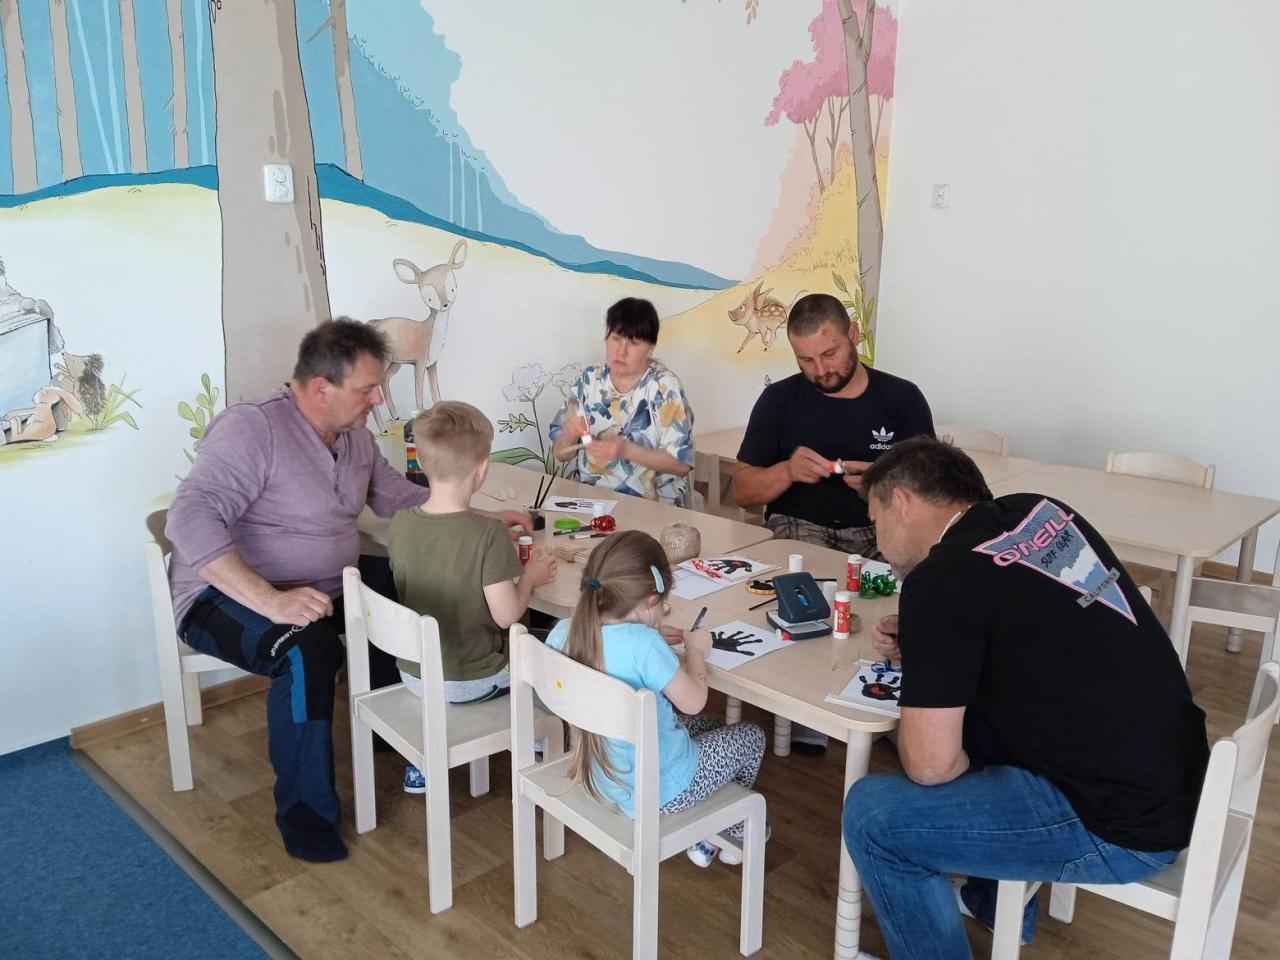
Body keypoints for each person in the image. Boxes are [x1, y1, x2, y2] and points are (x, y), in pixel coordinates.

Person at [166, 319, 525, 863]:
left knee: (415, 589)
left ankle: (395, 731)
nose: (379, 399)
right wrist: (271, 601)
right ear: (320, 388)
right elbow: (187, 520)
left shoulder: (353, 436)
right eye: (368, 389)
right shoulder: (251, 430)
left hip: (327, 587)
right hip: (222, 598)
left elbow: (395, 495)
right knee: (307, 650)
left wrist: (478, 520)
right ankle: (305, 819)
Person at [841, 437, 1210, 957]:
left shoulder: (941, 579)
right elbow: (1030, 627)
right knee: (973, 728)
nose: (878, 543)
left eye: (875, 520)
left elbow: (929, 767)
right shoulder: (1042, 511)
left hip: (1119, 825)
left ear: (900, 502)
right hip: (1179, 775)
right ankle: (995, 906)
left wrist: (933, 649)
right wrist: (934, 646)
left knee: (873, 817)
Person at [546, 530, 768, 866]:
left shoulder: (565, 631)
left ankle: (714, 828)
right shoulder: (644, 646)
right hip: (662, 789)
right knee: (752, 736)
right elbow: (693, 701)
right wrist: (696, 652)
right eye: (664, 605)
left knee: (712, 725)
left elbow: (619, 648)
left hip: (603, 776)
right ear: (651, 601)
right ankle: (726, 830)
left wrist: (648, 631)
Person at [389, 401, 558, 792]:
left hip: (413, 672)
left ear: (423, 464)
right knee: (548, 654)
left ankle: (425, 757)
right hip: (472, 678)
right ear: (482, 470)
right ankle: (533, 737)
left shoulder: (401, 524)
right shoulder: (488, 536)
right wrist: (530, 578)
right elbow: (507, 615)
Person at [732, 292, 934, 557]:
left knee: (915, 577)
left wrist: (882, 484)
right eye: (805, 360)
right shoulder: (778, 399)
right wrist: (788, 471)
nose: (820, 370)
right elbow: (742, 493)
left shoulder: (902, 398)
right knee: (809, 576)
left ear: (853, 334)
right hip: (800, 524)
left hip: (881, 526)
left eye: (829, 353)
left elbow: (934, 493)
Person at [549, 298, 695, 507]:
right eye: (616, 338)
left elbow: (681, 464)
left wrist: (626, 450)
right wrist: (568, 435)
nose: (621, 351)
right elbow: (560, 454)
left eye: (633, 343)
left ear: (651, 347)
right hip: (591, 502)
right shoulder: (590, 380)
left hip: (652, 508)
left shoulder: (663, 388)